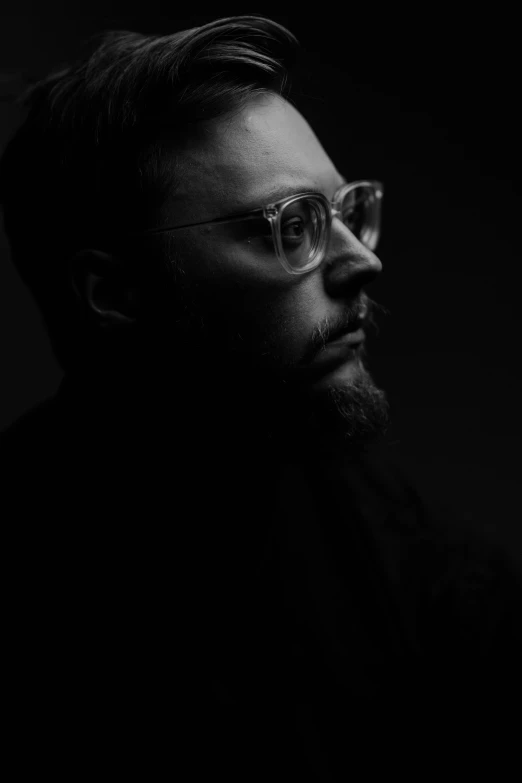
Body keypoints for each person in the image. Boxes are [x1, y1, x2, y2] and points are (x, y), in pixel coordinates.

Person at [1, 15, 520, 778]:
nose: (362, 263)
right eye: (290, 225)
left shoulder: (410, 557)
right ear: (113, 293)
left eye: (348, 213)